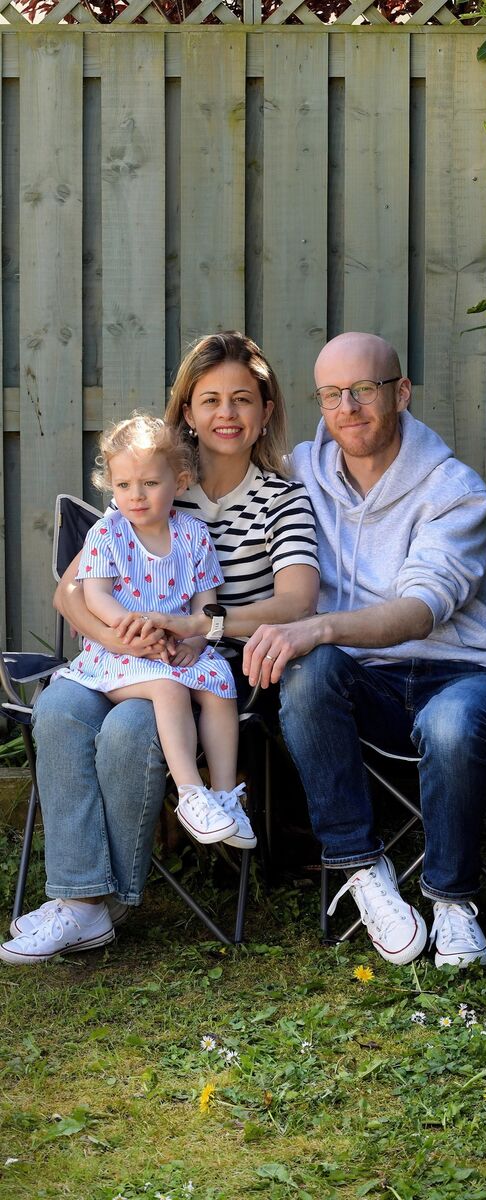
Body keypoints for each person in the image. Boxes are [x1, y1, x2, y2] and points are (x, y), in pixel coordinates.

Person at [1, 332, 319, 966]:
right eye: (210, 400)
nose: (226, 414)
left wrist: (197, 630)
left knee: (128, 730)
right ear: (187, 413)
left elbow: (295, 601)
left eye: (242, 400)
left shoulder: (279, 499)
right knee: (60, 712)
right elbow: (71, 597)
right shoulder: (148, 481)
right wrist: (125, 637)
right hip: (118, 653)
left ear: (265, 410)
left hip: (197, 666)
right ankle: (79, 900)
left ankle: (100, 901)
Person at [242, 331, 486, 969]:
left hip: (465, 669)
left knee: (449, 726)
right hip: (365, 681)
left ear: (399, 392)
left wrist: (319, 627)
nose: (348, 406)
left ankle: (452, 903)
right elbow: (218, 493)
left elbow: (422, 609)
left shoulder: (452, 487)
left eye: (364, 389)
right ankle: (363, 869)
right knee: (307, 674)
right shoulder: (299, 475)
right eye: (332, 395)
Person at [54, 413, 251, 851]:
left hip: (177, 645)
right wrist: (130, 627)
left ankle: (224, 797)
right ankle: (190, 794)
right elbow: (95, 596)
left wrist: (197, 642)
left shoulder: (194, 535)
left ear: (179, 482)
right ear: (111, 487)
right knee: (168, 689)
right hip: (121, 650)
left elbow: (206, 606)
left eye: (149, 483)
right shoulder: (107, 533)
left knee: (220, 683)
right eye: (123, 486)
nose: (135, 496)